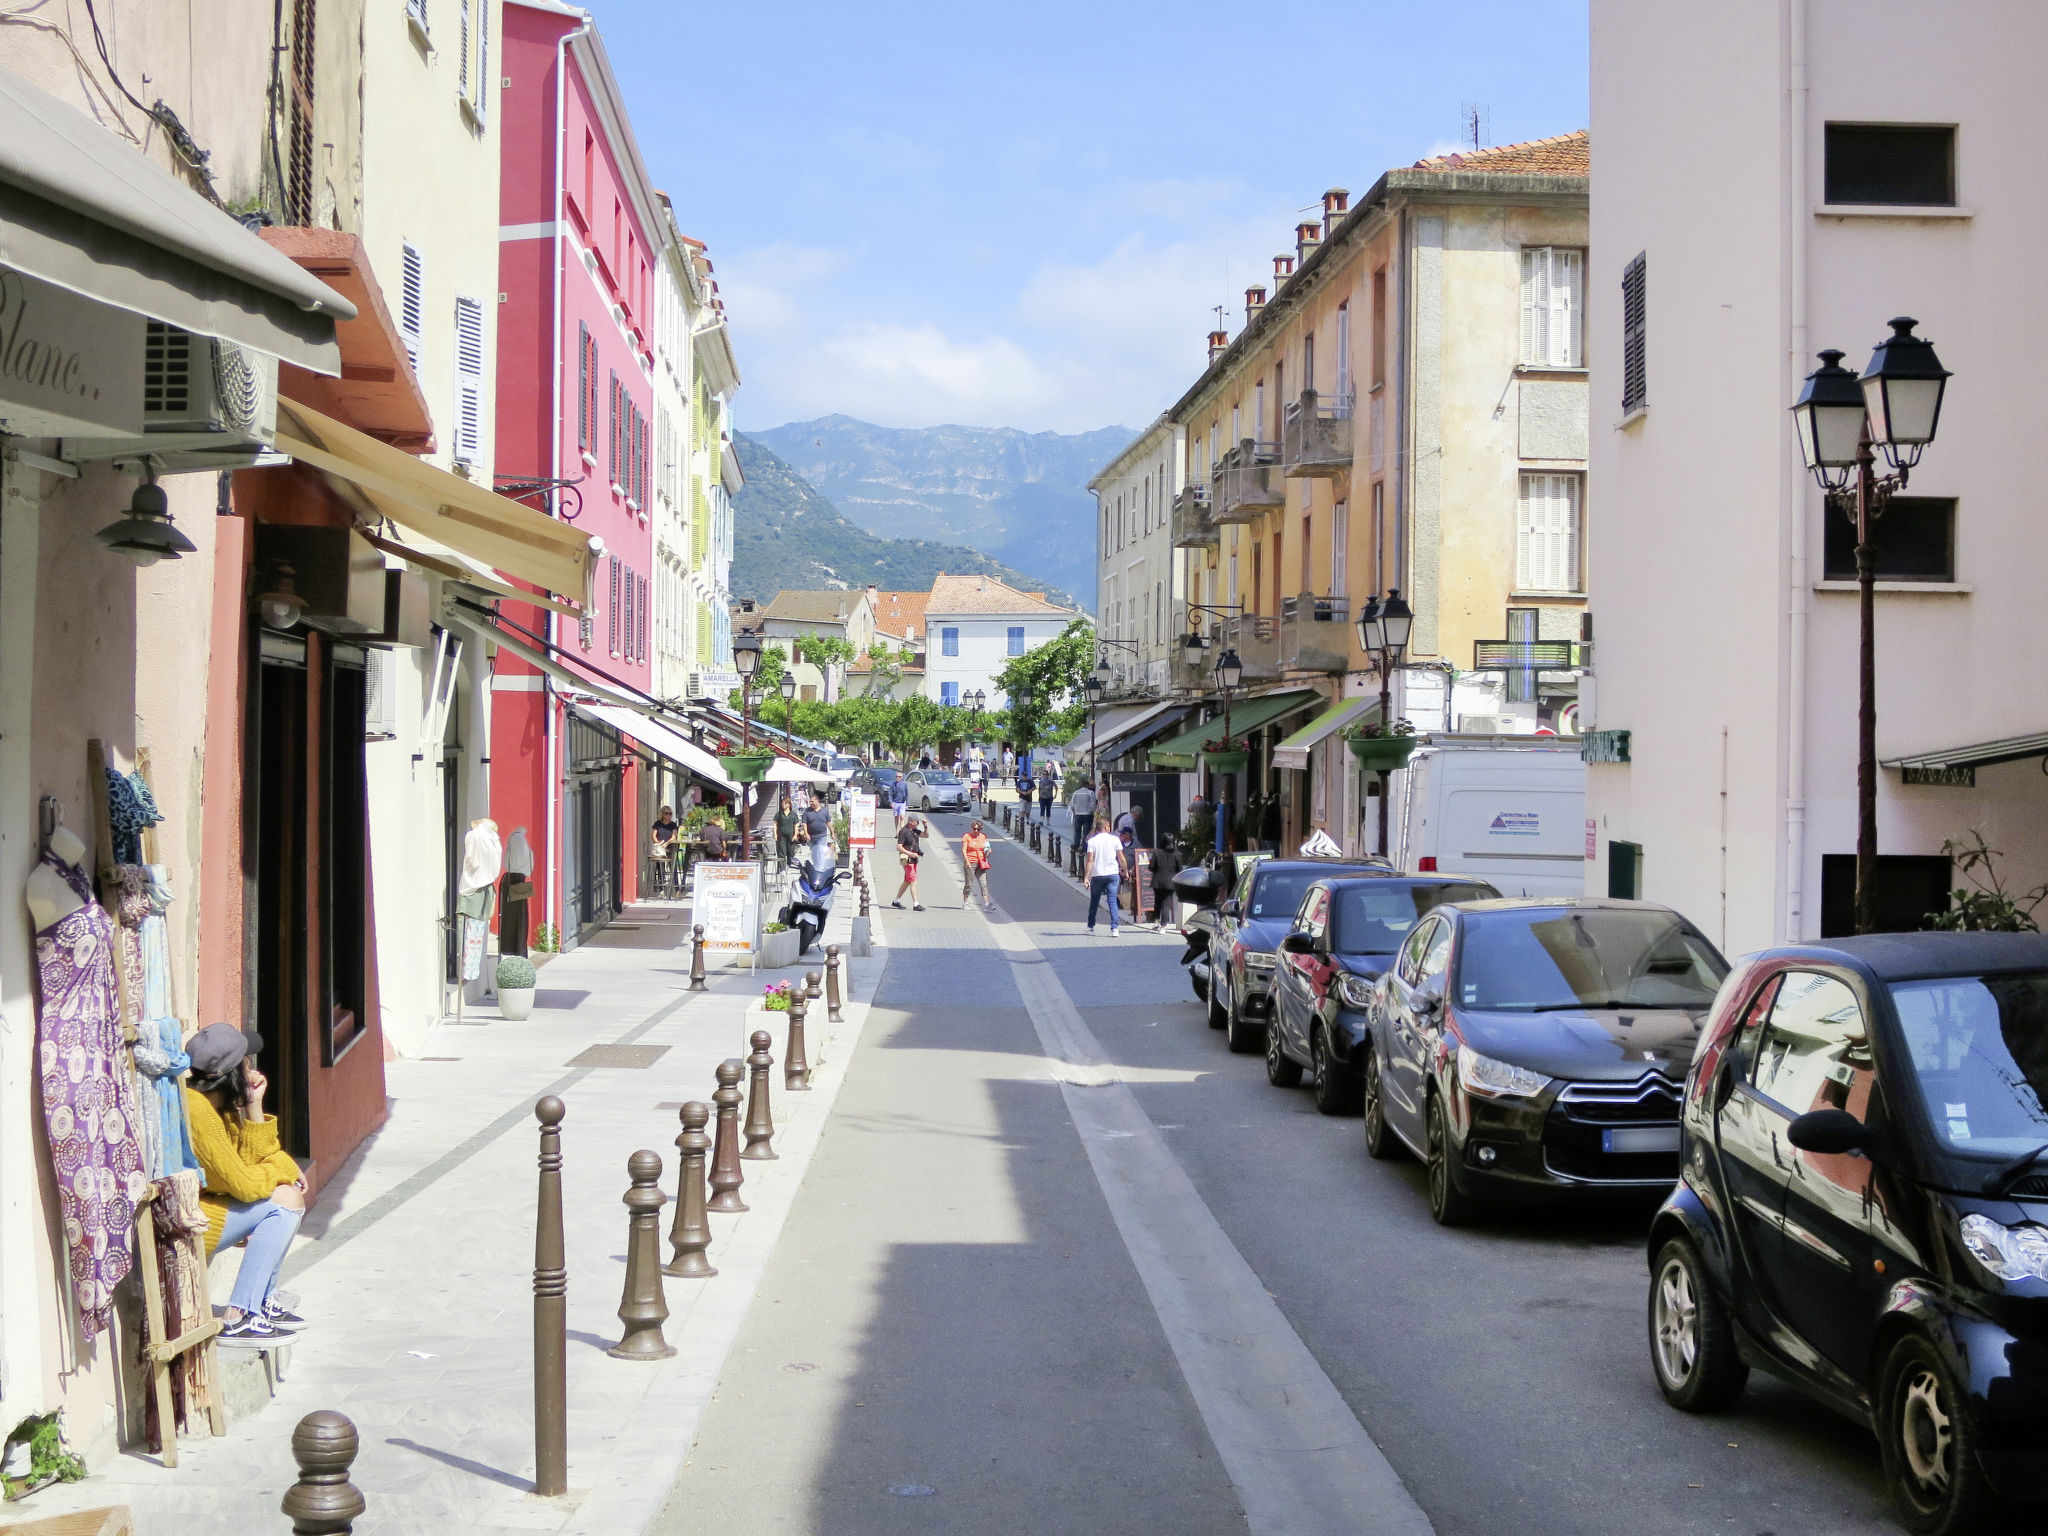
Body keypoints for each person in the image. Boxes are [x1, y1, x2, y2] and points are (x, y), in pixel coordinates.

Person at [182, 1023, 307, 1345]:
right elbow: (247, 1186)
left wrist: (253, 1105)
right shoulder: (197, 1110)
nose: (251, 1067)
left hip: (209, 1208)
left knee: (287, 1194)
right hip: (194, 1220)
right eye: (246, 1061)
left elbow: (252, 1162)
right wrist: (284, 1168)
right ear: (234, 1071)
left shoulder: (216, 1105)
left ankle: (261, 1301)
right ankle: (240, 1317)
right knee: (286, 1201)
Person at [1085, 815, 1129, 936]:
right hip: (1112, 874)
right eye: (1109, 826)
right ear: (1106, 827)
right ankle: (1114, 928)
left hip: (1097, 875)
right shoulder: (1115, 839)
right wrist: (1125, 871)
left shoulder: (1092, 841)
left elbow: (1090, 860)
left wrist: (1087, 877)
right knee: (1112, 901)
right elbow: (1121, 857)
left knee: (1094, 901)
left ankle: (1090, 926)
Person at [892, 813, 926, 911]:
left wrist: (925, 826)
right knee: (913, 881)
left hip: (913, 860)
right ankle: (916, 904)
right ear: (911, 822)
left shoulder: (914, 830)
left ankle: (896, 901)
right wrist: (910, 854)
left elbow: (925, 835)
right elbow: (899, 847)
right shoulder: (904, 831)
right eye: (917, 821)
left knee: (907, 881)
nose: (918, 823)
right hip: (907, 860)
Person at [960, 818, 993, 909]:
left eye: (978, 829)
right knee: (969, 884)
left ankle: (987, 904)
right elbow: (963, 850)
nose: (976, 831)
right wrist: (966, 861)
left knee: (983, 883)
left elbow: (986, 847)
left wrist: (988, 851)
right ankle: (965, 903)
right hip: (970, 862)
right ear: (972, 828)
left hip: (981, 863)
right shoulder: (967, 836)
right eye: (974, 828)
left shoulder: (983, 837)